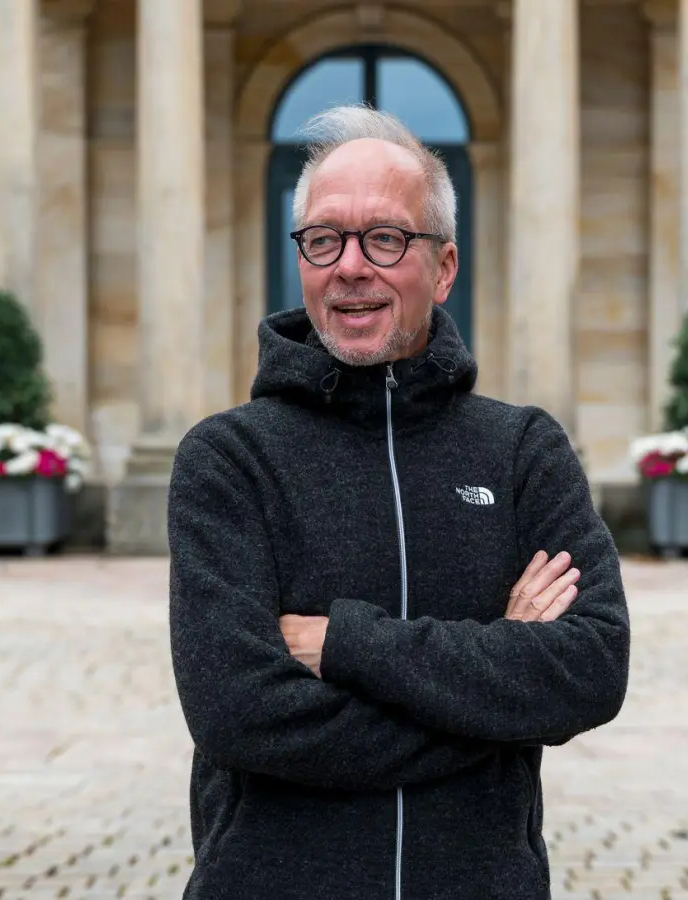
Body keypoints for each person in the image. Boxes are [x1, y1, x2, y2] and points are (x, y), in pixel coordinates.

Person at [166, 104, 631, 900]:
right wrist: (494, 702)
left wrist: (345, 644)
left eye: (385, 238)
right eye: (324, 239)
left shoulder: (522, 451)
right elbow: (239, 714)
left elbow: (589, 670)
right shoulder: (229, 459)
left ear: (444, 268)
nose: (350, 266)